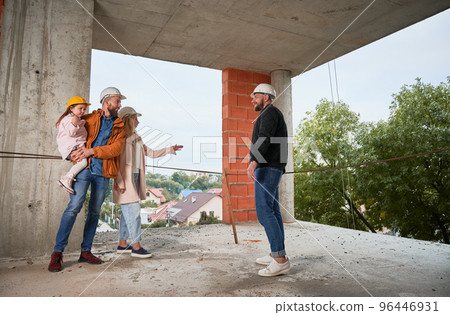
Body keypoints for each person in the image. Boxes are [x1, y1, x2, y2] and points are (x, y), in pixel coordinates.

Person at [48, 87, 127, 272]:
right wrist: (70, 155)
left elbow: (116, 149)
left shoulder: (120, 126)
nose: (120, 104)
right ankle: (57, 253)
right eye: (117, 101)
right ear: (107, 102)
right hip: (83, 170)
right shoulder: (89, 118)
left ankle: (85, 251)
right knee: (74, 207)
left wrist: (92, 151)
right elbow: (69, 135)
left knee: (94, 212)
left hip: (103, 173)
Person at [113, 106, 183, 258]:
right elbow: (114, 161)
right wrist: (119, 182)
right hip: (125, 178)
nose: (138, 122)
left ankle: (122, 244)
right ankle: (136, 247)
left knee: (127, 213)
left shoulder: (136, 137)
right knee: (134, 212)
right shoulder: (118, 136)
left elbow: (150, 153)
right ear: (128, 119)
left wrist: (170, 149)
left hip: (136, 177)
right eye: (135, 118)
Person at [246, 83, 290, 277]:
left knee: (264, 212)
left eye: (255, 96)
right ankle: (276, 253)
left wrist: (254, 161)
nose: (252, 99)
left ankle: (280, 261)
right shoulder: (270, 113)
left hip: (269, 167)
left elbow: (265, 137)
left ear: (266, 96)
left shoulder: (269, 113)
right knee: (273, 211)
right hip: (272, 166)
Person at [55, 96, 90, 194]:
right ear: (71, 108)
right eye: (80, 108)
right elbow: (71, 132)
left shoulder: (74, 119)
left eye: (84, 109)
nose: (83, 111)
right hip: (72, 146)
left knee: (83, 162)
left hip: (73, 145)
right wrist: (75, 120)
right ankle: (67, 178)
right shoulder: (70, 119)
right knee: (83, 163)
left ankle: (67, 178)